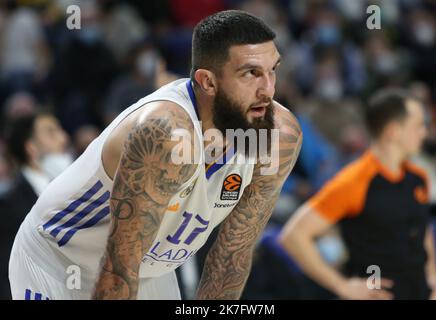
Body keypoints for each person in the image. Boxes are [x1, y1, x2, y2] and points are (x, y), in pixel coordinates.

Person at [9, 10, 302, 300]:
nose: (268, 89)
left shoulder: (279, 138)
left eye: (272, 70)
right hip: (58, 261)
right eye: (251, 73)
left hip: (147, 271)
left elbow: (232, 255)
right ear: (208, 82)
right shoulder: (166, 135)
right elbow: (119, 264)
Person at [279, 89, 436, 300]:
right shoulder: (353, 181)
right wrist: (342, 286)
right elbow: (293, 236)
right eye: (419, 125)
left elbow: (422, 229)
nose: (424, 132)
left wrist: (434, 276)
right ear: (394, 131)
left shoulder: (418, 177)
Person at [0, 111, 70, 299]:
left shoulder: (70, 195)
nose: (63, 138)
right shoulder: (8, 208)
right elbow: (8, 276)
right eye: (51, 132)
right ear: (31, 148)